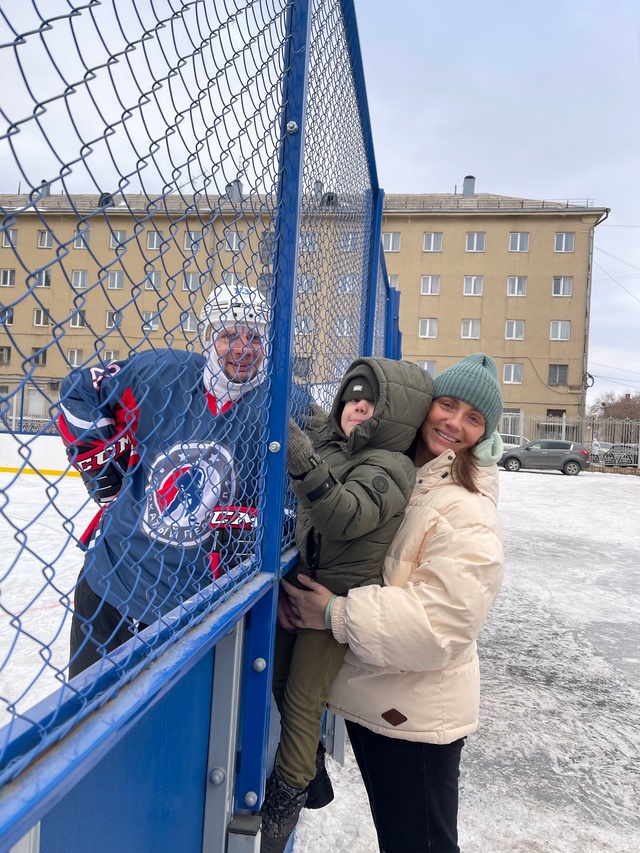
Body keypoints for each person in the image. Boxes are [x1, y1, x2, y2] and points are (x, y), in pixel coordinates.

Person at [282, 353, 506, 853]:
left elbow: (440, 627)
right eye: (447, 405)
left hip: (418, 718)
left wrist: (334, 614)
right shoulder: (408, 474)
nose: (454, 423)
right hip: (386, 699)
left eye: (473, 418)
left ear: (486, 435)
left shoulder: (466, 509)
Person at [59, 283, 286, 678]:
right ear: (207, 336)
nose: (242, 348)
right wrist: (104, 476)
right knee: (85, 723)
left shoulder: (282, 402)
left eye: (254, 337)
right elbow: (78, 390)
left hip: (195, 610)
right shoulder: (159, 373)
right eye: (228, 334)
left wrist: (269, 522)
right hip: (111, 584)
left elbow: (322, 464)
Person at [259, 357, 434, 853]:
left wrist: (301, 459)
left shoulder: (392, 467)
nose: (359, 407)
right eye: (352, 398)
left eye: (373, 403)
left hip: (338, 600)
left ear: (394, 416)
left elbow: (341, 516)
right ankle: (310, 770)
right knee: (275, 674)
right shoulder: (334, 444)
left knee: (301, 699)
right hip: (304, 584)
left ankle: (283, 810)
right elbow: (309, 418)